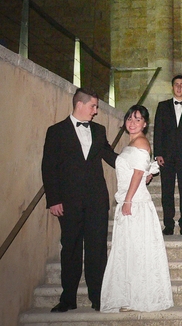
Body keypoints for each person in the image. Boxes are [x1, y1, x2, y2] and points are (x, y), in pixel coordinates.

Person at [42, 88, 118, 312]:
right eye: (93, 106)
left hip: (96, 200)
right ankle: (68, 299)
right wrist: (53, 199)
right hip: (68, 201)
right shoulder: (56, 131)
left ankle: (98, 298)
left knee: (97, 249)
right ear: (80, 105)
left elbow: (111, 157)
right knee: (71, 248)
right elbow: (48, 167)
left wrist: (136, 167)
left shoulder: (99, 130)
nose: (95, 112)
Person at [101, 105, 173, 312]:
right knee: (130, 250)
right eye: (129, 119)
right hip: (132, 200)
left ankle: (138, 298)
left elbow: (138, 174)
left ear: (145, 123)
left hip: (135, 204)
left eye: (137, 119)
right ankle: (131, 296)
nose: (132, 123)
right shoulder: (132, 143)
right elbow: (144, 171)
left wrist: (128, 201)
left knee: (135, 250)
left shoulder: (141, 142)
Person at [153, 75, 182, 235]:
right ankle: (168, 224)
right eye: (176, 85)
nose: (179, 87)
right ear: (172, 87)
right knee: (167, 191)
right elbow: (158, 131)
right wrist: (158, 153)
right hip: (166, 156)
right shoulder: (162, 106)